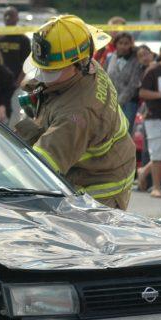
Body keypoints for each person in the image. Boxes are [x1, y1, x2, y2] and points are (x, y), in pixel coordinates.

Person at [14, 15, 136, 209]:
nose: (45, 78)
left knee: (85, 237)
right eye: (42, 70)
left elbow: (37, 171)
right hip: (96, 161)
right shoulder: (89, 66)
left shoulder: (77, 114)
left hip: (100, 187)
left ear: (80, 62)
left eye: (52, 72)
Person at [138, 42, 161, 198]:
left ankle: (143, 171)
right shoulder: (153, 71)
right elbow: (143, 92)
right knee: (158, 153)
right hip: (155, 116)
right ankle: (156, 188)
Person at [106, 32, 145, 134]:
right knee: (111, 131)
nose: (123, 46)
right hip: (111, 101)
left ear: (131, 44)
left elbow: (134, 84)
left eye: (126, 43)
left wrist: (120, 101)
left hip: (129, 102)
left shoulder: (136, 59)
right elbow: (106, 77)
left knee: (125, 131)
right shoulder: (110, 57)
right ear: (116, 44)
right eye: (121, 43)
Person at [0, 6, 31, 87]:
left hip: (16, 82)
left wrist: (18, 82)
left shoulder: (23, 39)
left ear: (17, 19)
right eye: (6, 15)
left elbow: (27, 63)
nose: (8, 18)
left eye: (11, 15)